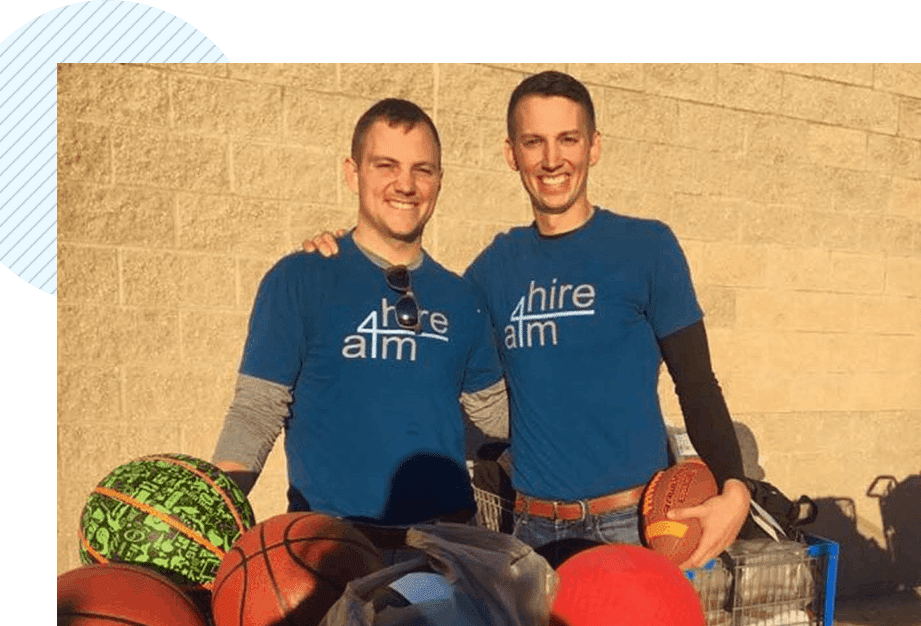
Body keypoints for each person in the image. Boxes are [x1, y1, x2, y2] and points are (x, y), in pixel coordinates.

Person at [304, 72, 750, 570]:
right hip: (533, 532)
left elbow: (698, 383)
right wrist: (345, 255)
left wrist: (736, 487)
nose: (552, 159)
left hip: (632, 526)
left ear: (594, 146)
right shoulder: (493, 269)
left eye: (568, 139)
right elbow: (416, 312)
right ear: (511, 153)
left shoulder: (647, 248)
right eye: (533, 142)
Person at [212, 98, 506, 561]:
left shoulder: (461, 297)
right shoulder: (300, 279)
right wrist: (208, 515)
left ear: (439, 181)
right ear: (353, 173)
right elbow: (257, 410)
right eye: (385, 165)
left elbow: (493, 413)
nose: (405, 184)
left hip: (440, 556)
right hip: (334, 552)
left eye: (422, 170)